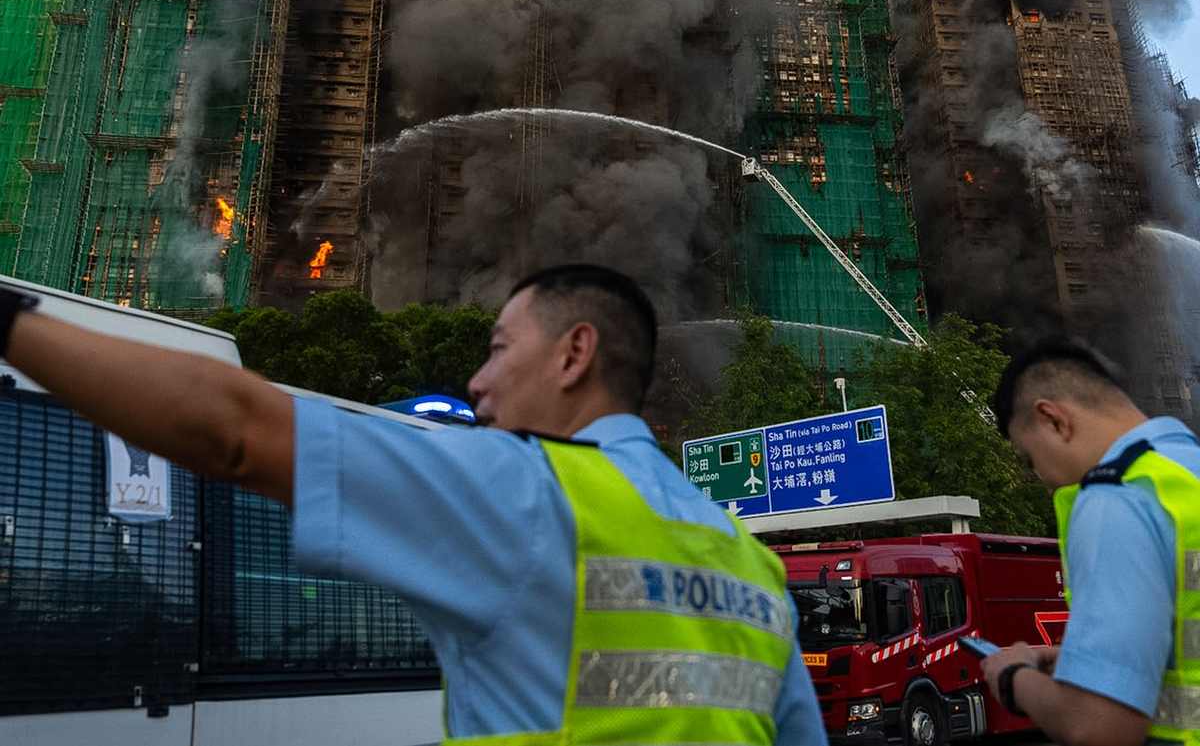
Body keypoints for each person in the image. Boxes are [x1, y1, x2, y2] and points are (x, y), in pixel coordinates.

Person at [0, 266, 826, 743]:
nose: (477, 380)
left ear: (576, 353)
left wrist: (11, 323)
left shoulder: (523, 487)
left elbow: (235, 430)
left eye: (499, 348)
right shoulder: (749, 563)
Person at [982, 338, 1200, 746]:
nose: (1045, 484)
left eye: (1030, 461)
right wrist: (1084, 665)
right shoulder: (1186, 474)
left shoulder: (1115, 497)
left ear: (1053, 419)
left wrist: (1014, 678)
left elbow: (1098, 728)